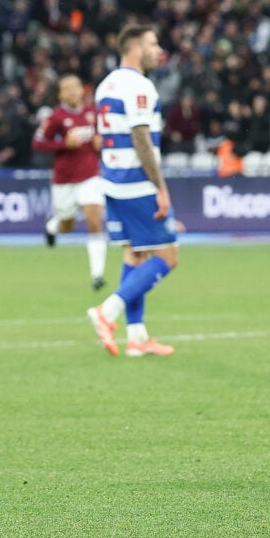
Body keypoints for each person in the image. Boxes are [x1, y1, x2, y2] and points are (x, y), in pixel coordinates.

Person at [85, 24, 177, 358]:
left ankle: (137, 337)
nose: (159, 50)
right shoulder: (139, 86)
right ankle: (107, 312)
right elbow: (141, 139)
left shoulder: (105, 84)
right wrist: (160, 188)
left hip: (112, 180)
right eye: (153, 43)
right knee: (168, 257)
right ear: (135, 48)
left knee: (135, 255)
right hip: (137, 182)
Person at [31, 74, 108, 290]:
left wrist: (102, 143)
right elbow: (37, 143)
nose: (73, 91)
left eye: (76, 86)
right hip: (64, 180)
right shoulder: (56, 117)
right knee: (67, 224)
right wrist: (63, 143)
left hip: (90, 176)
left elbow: (105, 138)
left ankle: (97, 275)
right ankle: (52, 227)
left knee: (94, 220)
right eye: (68, 88)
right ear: (60, 94)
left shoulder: (94, 113)